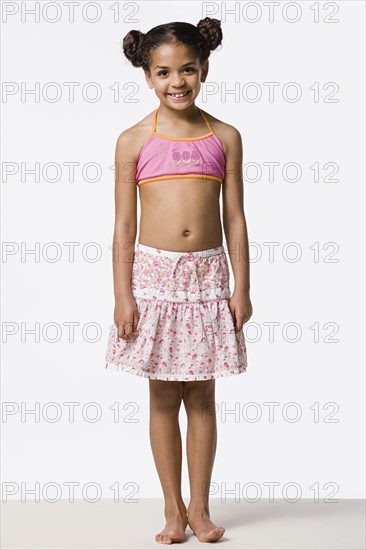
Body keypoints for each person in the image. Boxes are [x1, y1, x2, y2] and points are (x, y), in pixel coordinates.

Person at [104, 17, 253, 545]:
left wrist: (242, 286)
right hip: (155, 280)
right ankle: (171, 509)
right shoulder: (133, 141)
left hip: (208, 278)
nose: (177, 81)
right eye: (163, 71)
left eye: (187, 69)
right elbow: (123, 224)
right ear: (147, 76)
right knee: (164, 398)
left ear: (204, 68)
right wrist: (123, 294)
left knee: (204, 399)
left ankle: (200, 508)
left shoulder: (225, 136)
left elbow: (234, 217)